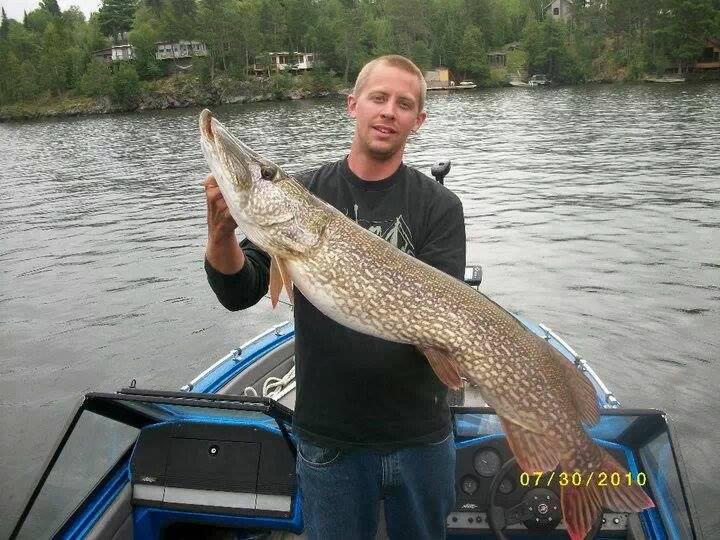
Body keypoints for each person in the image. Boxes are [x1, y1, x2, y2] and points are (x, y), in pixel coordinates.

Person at [203, 55, 466, 539]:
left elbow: (442, 318)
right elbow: (239, 291)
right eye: (378, 98)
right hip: (331, 438)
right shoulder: (304, 190)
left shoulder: (440, 207)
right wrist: (221, 236)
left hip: (421, 437)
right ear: (353, 106)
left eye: (404, 104)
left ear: (418, 121)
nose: (389, 111)